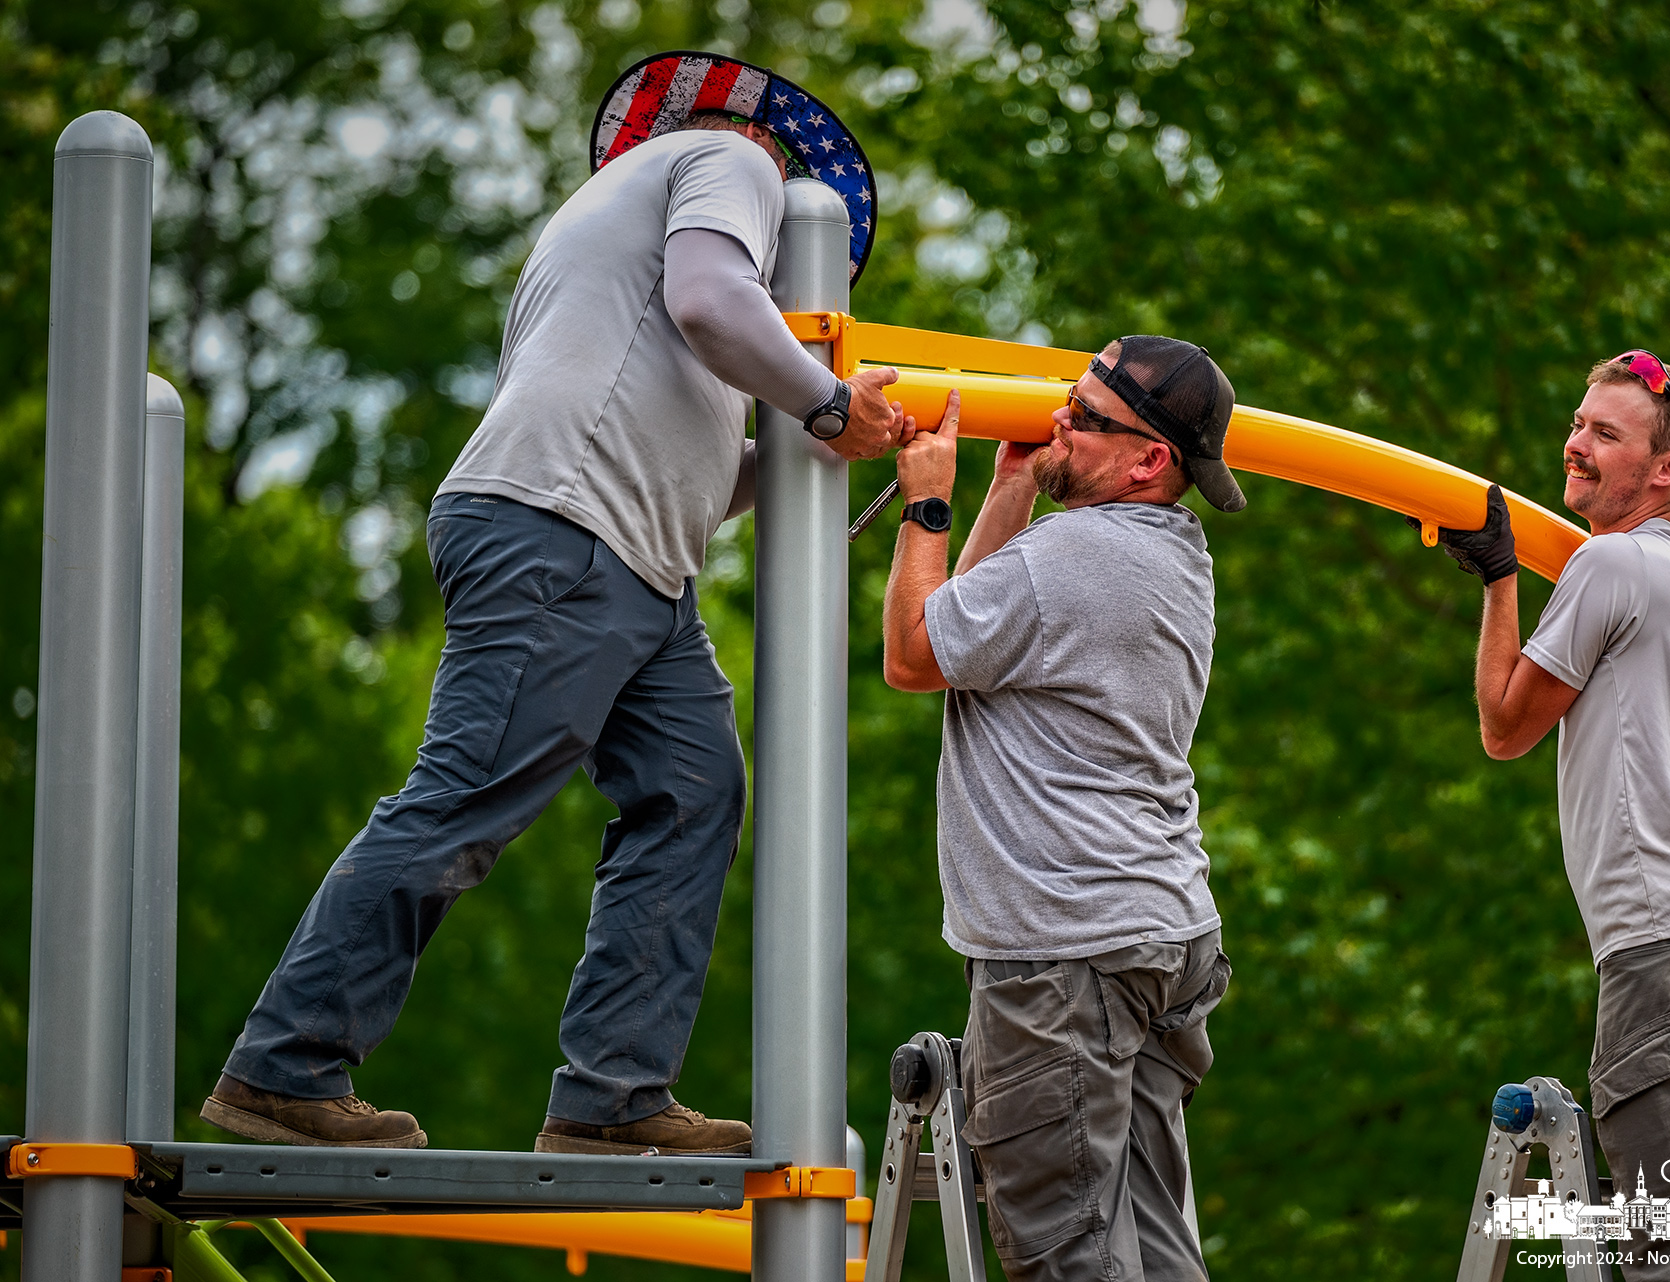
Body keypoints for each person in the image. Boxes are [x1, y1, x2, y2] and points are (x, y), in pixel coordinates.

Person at [202, 53, 904, 1154]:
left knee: (693, 789)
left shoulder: (610, 259)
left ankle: (613, 1102)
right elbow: (713, 297)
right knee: (466, 794)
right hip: (563, 534)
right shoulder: (732, 158)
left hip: (629, 562)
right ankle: (283, 1068)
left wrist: (838, 437)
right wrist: (822, 403)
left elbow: (703, 484)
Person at [880, 337, 1244, 1281]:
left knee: (1068, 1253)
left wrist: (928, 502)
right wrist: (1010, 488)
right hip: (1155, 932)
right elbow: (978, 626)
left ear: (1150, 460)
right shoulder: (1167, 550)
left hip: (1065, 954)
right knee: (1153, 1243)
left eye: (1084, 420)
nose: (1057, 426)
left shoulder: (1073, 554)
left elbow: (917, 657)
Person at [1423, 350, 1670, 1280]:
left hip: (1668, 953)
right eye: (1581, 423)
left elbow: (1505, 727)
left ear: (1668, 471)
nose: (1575, 445)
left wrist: (1501, 580)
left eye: (1605, 434)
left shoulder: (1610, 566)